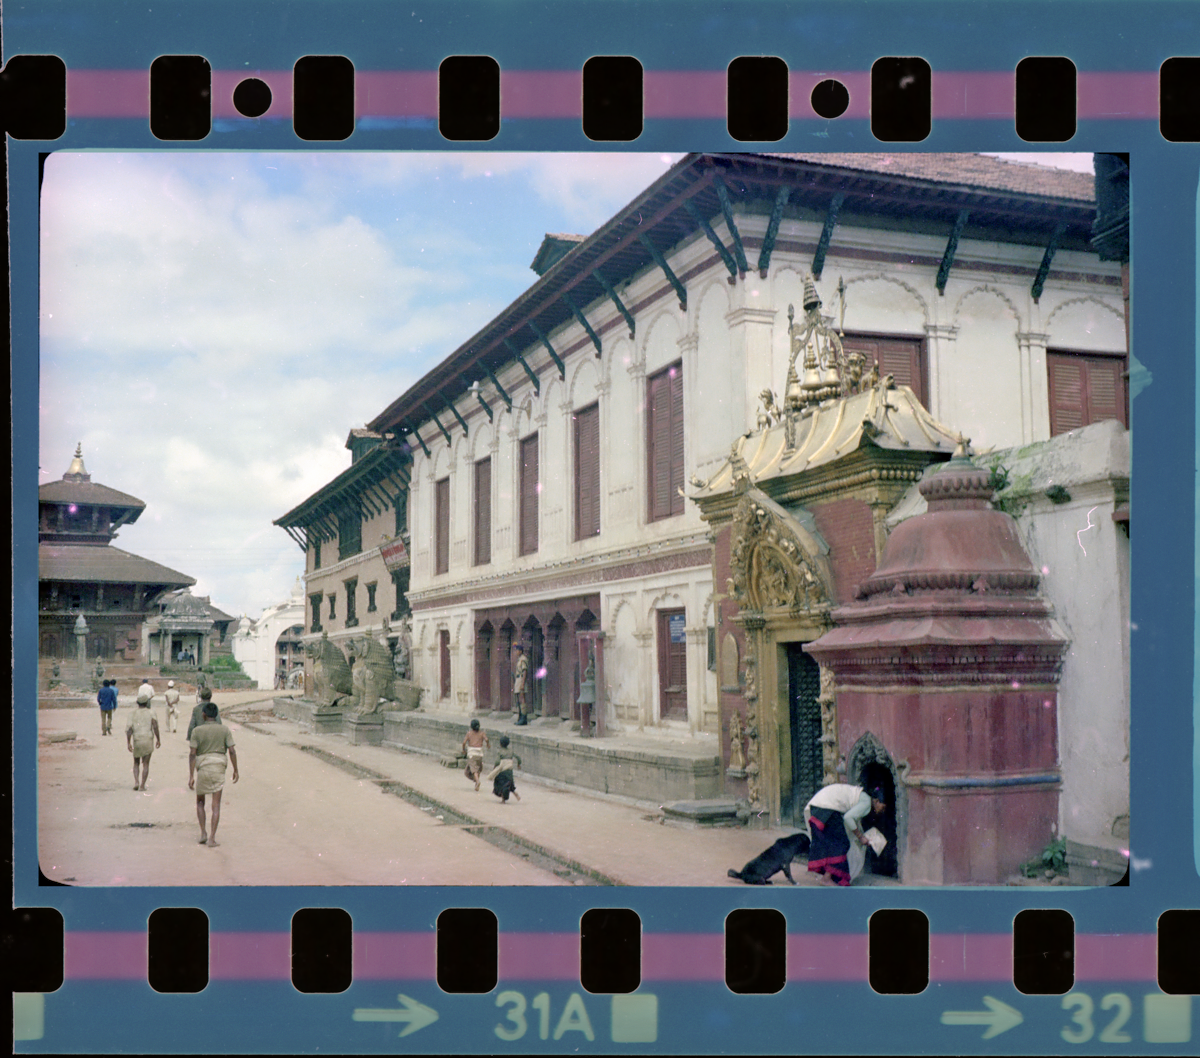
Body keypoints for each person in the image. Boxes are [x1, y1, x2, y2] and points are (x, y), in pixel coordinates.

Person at [802, 782, 887, 886]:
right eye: (882, 808)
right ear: (877, 801)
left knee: (833, 842)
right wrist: (860, 837)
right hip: (826, 808)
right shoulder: (867, 804)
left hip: (820, 805)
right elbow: (848, 818)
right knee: (842, 843)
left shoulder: (863, 797)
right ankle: (826, 878)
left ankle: (830, 877)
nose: (881, 811)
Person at [188, 701, 239, 846]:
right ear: (216, 715)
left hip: (203, 767)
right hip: (218, 766)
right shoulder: (224, 730)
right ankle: (212, 838)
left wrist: (191, 775)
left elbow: (192, 753)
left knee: (200, 801)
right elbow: (232, 751)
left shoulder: (196, 731)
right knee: (216, 805)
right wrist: (236, 769)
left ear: (203, 715)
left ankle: (203, 832)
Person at [125, 686, 161, 791]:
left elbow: (129, 729)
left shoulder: (132, 714)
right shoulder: (151, 712)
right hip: (148, 739)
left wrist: (128, 742)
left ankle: (136, 781)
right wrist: (158, 739)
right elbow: (155, 726)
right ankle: (142, 785)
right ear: (147, 703)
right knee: (146, 764)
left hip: (137, 740)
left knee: (136, 762)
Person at [485, 735, 521, 803]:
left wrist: (495, 767)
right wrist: (519, 764)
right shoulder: (511, 751)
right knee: (509, 783)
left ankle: (503, 800)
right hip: (509, 771)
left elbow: (497, 761)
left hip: (502, 770)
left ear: (500, 744)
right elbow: (518, 758)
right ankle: (515, 793)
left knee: (501, 784)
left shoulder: (500, 752)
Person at [461, 718, 490, 791]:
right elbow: (486, 739)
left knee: (473, 770)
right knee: (476, 769)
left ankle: (477, 781)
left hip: (472, 753)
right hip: (479, 753)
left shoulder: (469, 733)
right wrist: (487, 744)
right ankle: (476, 782)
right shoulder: (482, 733)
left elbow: (464, 743)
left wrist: (463, 750)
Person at [511, 644, 529, 725]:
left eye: (517, 650)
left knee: (522, 698)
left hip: (521, 679)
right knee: (518, 698)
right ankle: (520, 716)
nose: (516, 652)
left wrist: (522, 683)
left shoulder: (523, 659)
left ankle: (524, 718)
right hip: (518, 679)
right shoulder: (519, 659)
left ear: (520, 651)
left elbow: (525, 671)